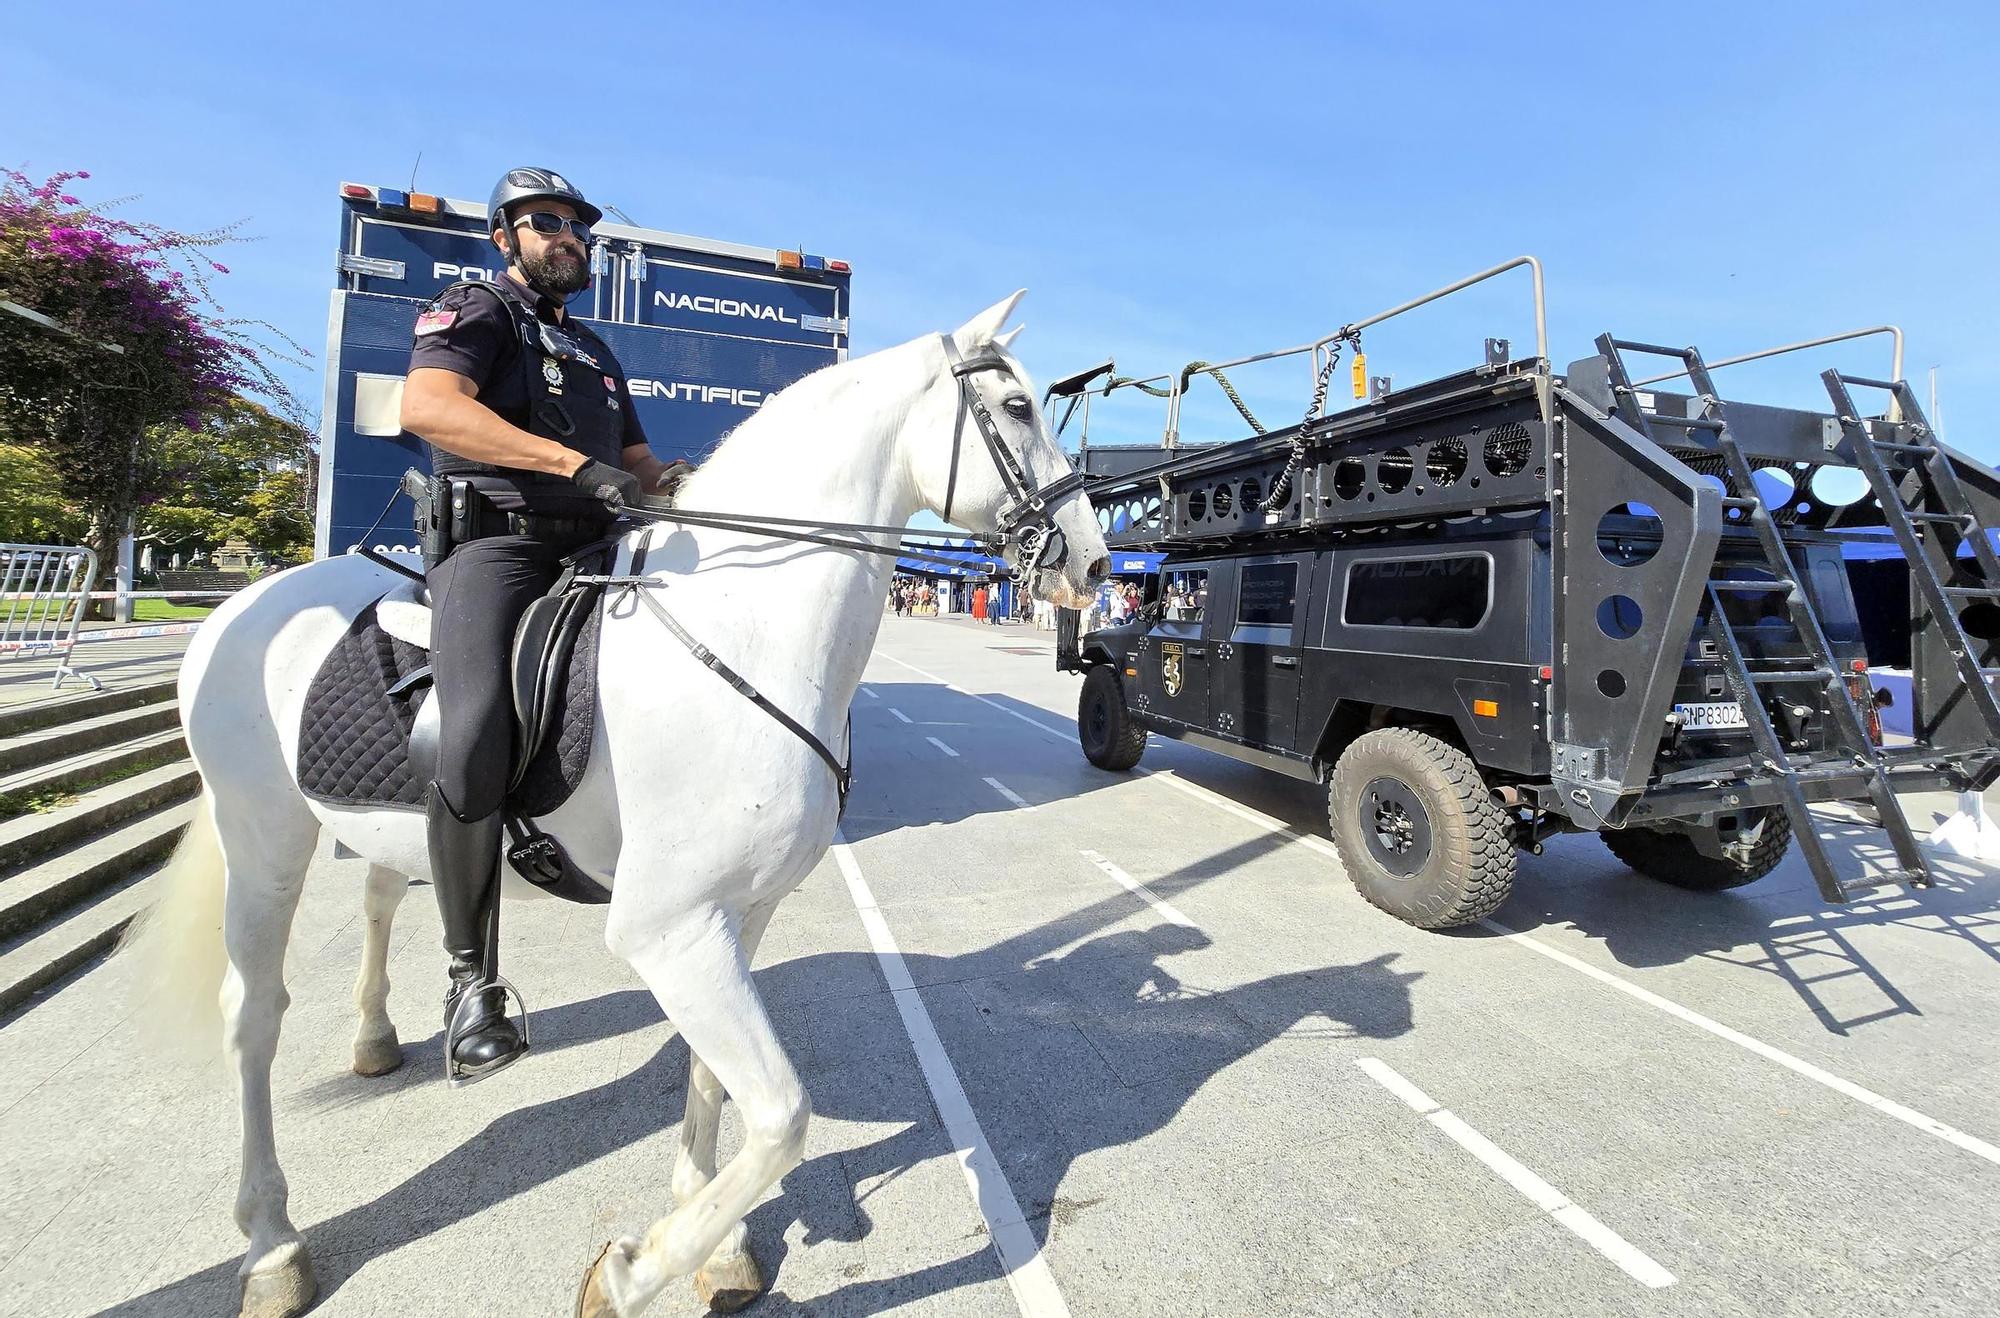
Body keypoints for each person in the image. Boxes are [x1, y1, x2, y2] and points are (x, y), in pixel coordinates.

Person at [398, 166, 687, 1083]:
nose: (569, 237)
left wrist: (698, 488)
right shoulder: (474, 308)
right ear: (506, 238)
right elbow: (431, 409)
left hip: (600, 547)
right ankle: (468, 979)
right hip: (502, 550)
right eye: (548, 223)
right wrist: (571, 468)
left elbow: (639, 466)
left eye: (578, 228)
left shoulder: (598, 353)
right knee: (477, 724)